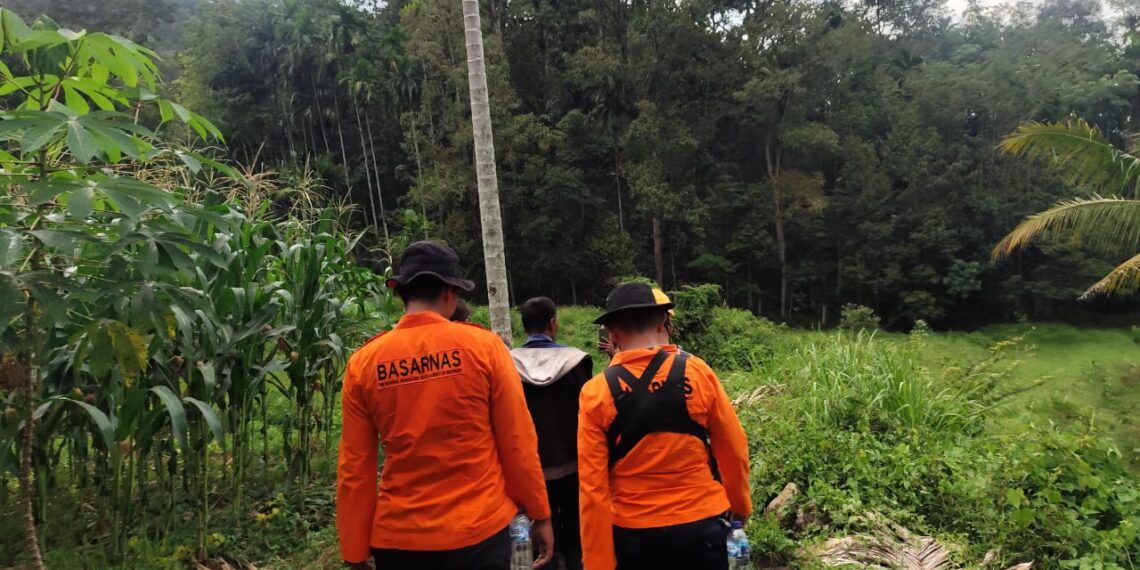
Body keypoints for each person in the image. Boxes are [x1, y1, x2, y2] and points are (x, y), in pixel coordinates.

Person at [337, 241, 554, 570]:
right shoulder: (484, 347)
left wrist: (354, 551)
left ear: (400, 292)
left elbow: (355, 469)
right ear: (449, 292)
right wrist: (540, 513)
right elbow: (517, 442)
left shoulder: (364, 363)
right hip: (483, 532)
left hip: (401, 542)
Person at [577, 283, 752, 570]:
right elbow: (734, 447)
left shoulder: (596, 392)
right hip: (703, 527)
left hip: (634, 537)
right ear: (662, 322)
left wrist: (599, 562)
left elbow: (592, 488)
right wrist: (740, 507)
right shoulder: (698, 372)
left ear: (612, 333)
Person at [512, 297, 594, 570]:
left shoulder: (508, 365)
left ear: (524, 326)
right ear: (552, 323)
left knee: (539, 537)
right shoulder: (577, 362)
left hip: (531, 470)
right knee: (575, 533)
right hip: (574, 465)